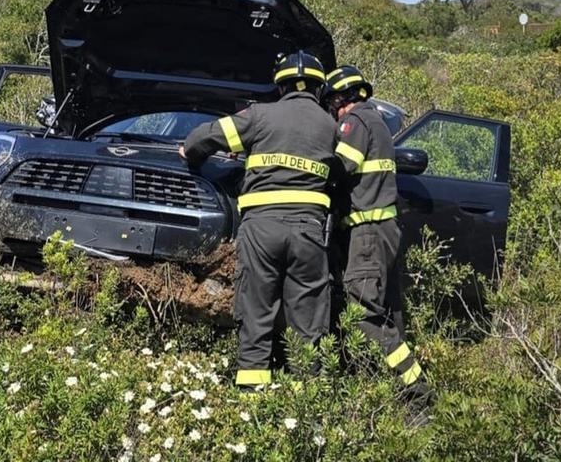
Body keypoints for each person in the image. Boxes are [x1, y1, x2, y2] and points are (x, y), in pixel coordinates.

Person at [181, 51, 337, 390]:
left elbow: (200, 140)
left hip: (261, 229)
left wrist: (188, 153)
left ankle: (252, 397)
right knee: (307, 317)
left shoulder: (260, 115)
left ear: (280, 87)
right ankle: (304, 399)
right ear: (319, 88)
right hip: (308, 232)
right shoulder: (330, 125)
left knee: (256, 309)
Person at [323, 65, 434, 422]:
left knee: (362, 317)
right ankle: (398, 399)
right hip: (383, 230)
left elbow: (339, 169)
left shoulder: (354, 122)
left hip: (367, 235)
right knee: (388, 316)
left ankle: (419, 396)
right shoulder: (378, 122)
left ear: (340, 99)